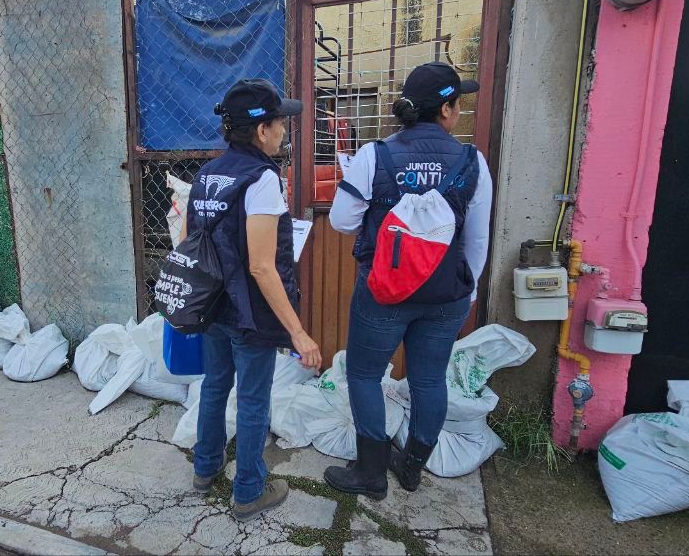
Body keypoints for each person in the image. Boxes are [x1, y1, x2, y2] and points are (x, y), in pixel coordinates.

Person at [323, 62, 493, 498]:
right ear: (447, 110)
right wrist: (469, 290)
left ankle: (371, 474)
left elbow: (342, 221)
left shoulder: (374, 155)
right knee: (429, 380)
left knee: (364, 374)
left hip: (384, 290)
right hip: (446, 294)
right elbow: (477, 239)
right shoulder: (472, 162)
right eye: (458, 103)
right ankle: (412, 467)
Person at [190, 79, 323, 521]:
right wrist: (298, 332)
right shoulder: (262, 179)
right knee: (252, 401)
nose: (284, 129)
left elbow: (194, 239)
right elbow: (262, 267)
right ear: (261, 130)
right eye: (280, 122)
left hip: (213, 305)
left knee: (214, 386)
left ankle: (205, 469)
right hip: (250, 314)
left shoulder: (207, 174)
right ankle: (248, 491)